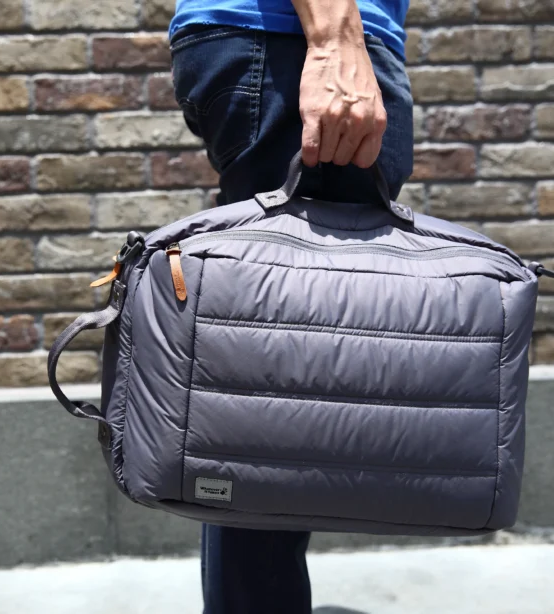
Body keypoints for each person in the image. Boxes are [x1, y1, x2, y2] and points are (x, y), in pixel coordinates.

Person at [168, 0, 413, 613]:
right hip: (297, 40)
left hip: (280, 43)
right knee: (275, 403)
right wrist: (335, 40)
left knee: (270, 386)